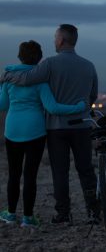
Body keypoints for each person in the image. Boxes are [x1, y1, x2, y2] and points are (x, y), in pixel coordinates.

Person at [1, 24, 100, 225]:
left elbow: (28, 78)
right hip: (81, 126)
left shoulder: (50, 64)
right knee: (86, 169)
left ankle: (63, 214)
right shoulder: (89, 65)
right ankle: (93, 212)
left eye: (55, 38)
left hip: (56, 128)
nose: (54, 41)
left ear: (62, 40)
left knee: (59, 171)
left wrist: (6, 76)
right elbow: (93, 95)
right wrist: (82, 107)